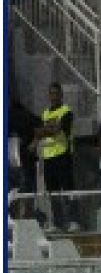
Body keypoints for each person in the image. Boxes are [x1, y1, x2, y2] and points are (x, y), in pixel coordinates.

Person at [37, 83, 76, 232]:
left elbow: (57, 130)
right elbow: (39, 132)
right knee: (52, 192)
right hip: (48, 156)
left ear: (61, 95)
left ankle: (73, 220)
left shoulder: (66, 111)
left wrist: (45, 130)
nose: (54, 97)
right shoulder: (45, 113)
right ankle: (57, 222)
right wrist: (45, 130)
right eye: (51, 94)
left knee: (67, 190)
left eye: (56, 94)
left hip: (62, 154)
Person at [7, 97, 41, 221]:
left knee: (25, 187)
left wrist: (34, 142)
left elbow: (39, 125)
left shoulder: (21, 115)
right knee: (19, 189)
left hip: (24, 159)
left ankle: (25, 215)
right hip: (16, 160)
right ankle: (20, 216)